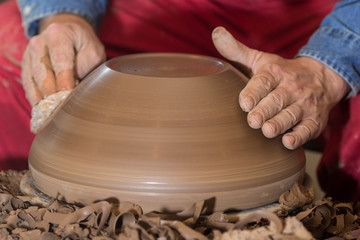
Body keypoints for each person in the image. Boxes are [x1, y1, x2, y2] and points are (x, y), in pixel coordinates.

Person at [0, 0, 359, 201]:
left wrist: (327, 69)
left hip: (327, 20)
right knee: (16, 57)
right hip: (162, 9)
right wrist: (62, 17)